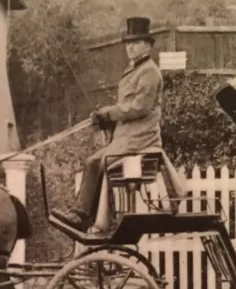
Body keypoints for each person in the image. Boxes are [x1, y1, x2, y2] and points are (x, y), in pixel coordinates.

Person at [52, 16, 165, 233]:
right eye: (128, 44)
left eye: (136, 43)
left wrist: (108, 113)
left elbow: (140, 107)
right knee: (93, 161)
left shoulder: (149, 72)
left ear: (147, 45)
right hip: (127, 135)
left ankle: (82, 216)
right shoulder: (133, 70)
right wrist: (106, 120)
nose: (130, 48)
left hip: (141, 136)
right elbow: (126, 108)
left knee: (98, 161)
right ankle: (86, 216)